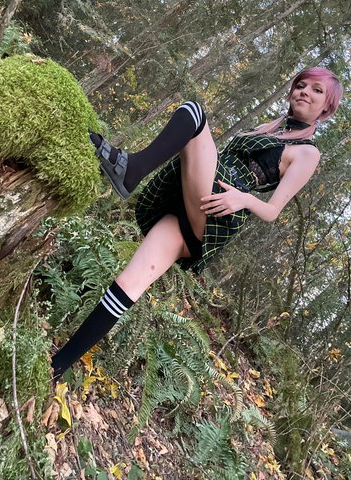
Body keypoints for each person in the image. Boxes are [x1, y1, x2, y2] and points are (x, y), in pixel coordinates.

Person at [51, 67, 343, 380]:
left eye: (316, 90)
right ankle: (57, 368)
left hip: (220, 209)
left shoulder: (308, 153)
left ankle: (131, 170)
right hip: (194, 204)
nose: (304, 92)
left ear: (326, 107)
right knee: (128, 284)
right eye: (301, 85)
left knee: (193, 113)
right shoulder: (268, 128)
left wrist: (244, 199)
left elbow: (273, 210)